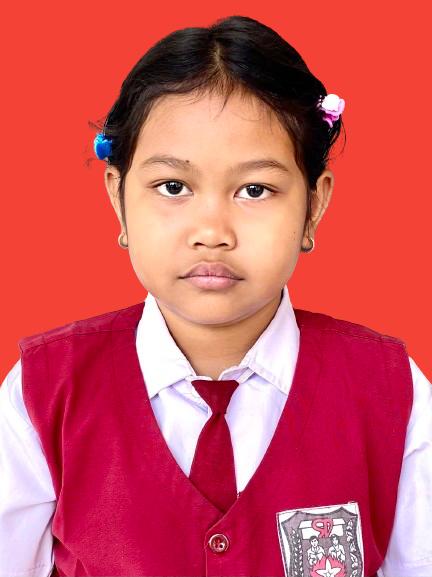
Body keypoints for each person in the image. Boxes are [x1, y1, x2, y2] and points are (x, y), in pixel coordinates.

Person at [0, 14, 431, 577]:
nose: (212, 231)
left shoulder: (392, 390)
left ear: (314, 205)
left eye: (255, 189)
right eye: (172, 186)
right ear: (118, 198)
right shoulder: (44, 390)